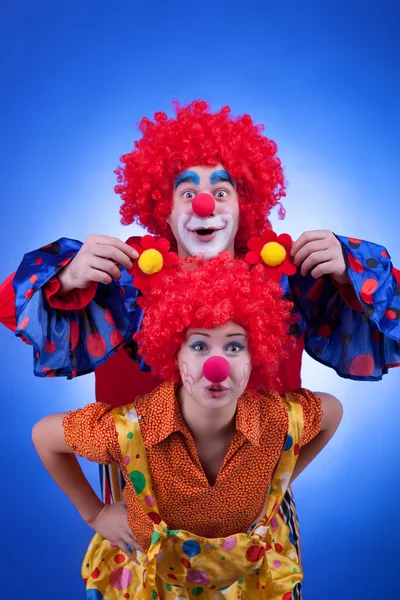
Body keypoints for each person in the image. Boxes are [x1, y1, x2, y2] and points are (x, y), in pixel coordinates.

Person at [0, 100, 398, 594]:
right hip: (140, 499)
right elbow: (17, 306)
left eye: (221, 190)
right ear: (162, 208)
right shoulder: (123, 279)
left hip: (250, 503)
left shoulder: (287, 278)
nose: (203, 203)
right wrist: (67, 279)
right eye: (186, 190)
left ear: (245, 202)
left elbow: (389, 319)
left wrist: (350, 272)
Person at [32, 252, 343, 599]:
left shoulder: (276, 421)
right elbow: (44, 436)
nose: (216, 366)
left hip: (245, 583)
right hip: (151, 584)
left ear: (255, 357)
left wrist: (280, 478)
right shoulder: (130, 430)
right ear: (174, 356)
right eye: (198, 345)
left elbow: (333, 412)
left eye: (234, 346)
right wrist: (95, 514)